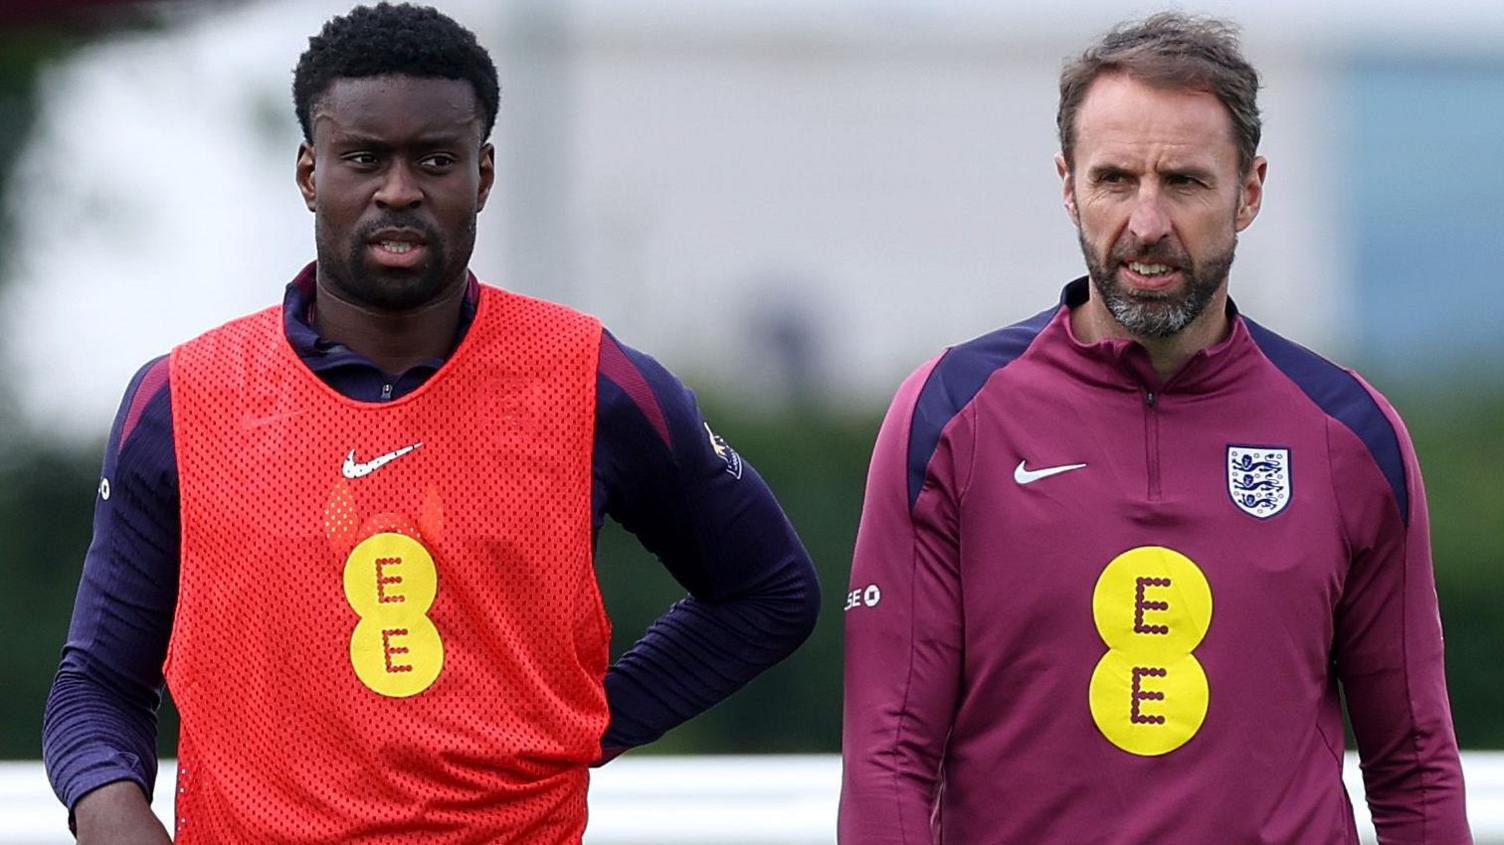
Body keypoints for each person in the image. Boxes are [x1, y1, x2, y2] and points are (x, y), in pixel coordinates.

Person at [42, 4, 819, 842]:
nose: (400, 190)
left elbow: (769, 591)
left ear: (483, 174)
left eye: (436, 159)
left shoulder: (591, 379)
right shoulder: (182, 397)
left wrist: (585, 722)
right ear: (310, 172)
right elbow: (97, 681)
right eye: (365, 158)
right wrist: (110, 810)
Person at [839, 12, 1470, 844]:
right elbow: (888, 754)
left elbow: (1414, 764)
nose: (1145, 223)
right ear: (1067, 184)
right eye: (1114, 179)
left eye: (1184, 182)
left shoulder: (1350, 436)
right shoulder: (949, 417)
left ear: (1249, 190)